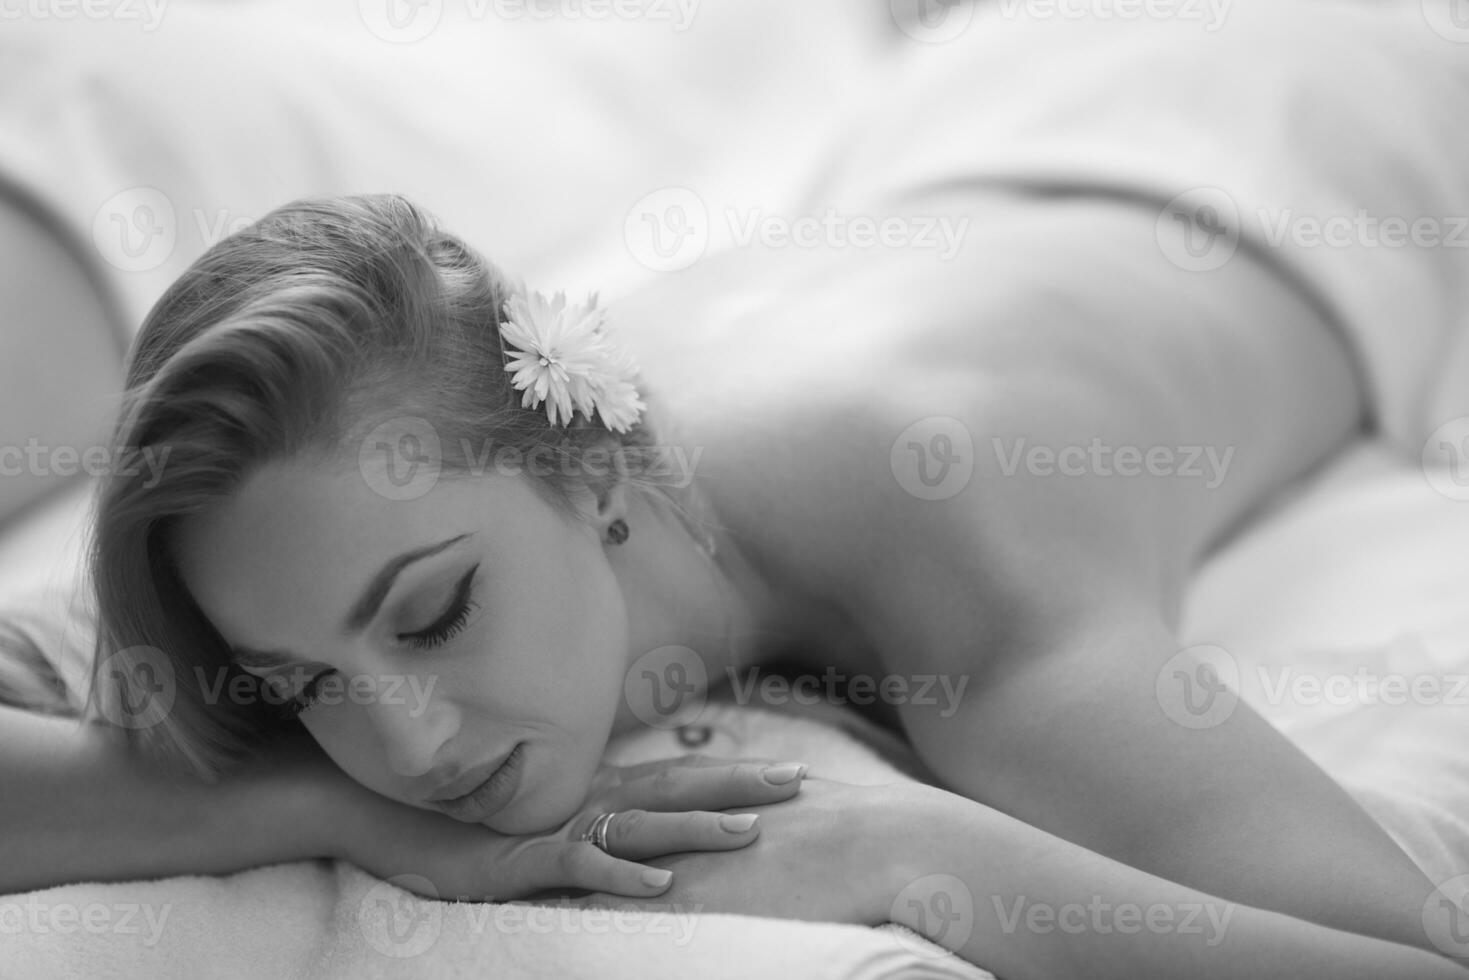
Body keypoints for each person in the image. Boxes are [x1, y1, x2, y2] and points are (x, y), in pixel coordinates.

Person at [43, 188, 1460, 979]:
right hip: (922, 173)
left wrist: (896, 855)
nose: (405, 744)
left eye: (431, 618)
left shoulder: (933, 535)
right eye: (302, 687)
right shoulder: (347, 490)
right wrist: (328, 804)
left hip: (1296, 132)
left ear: (591, 479)